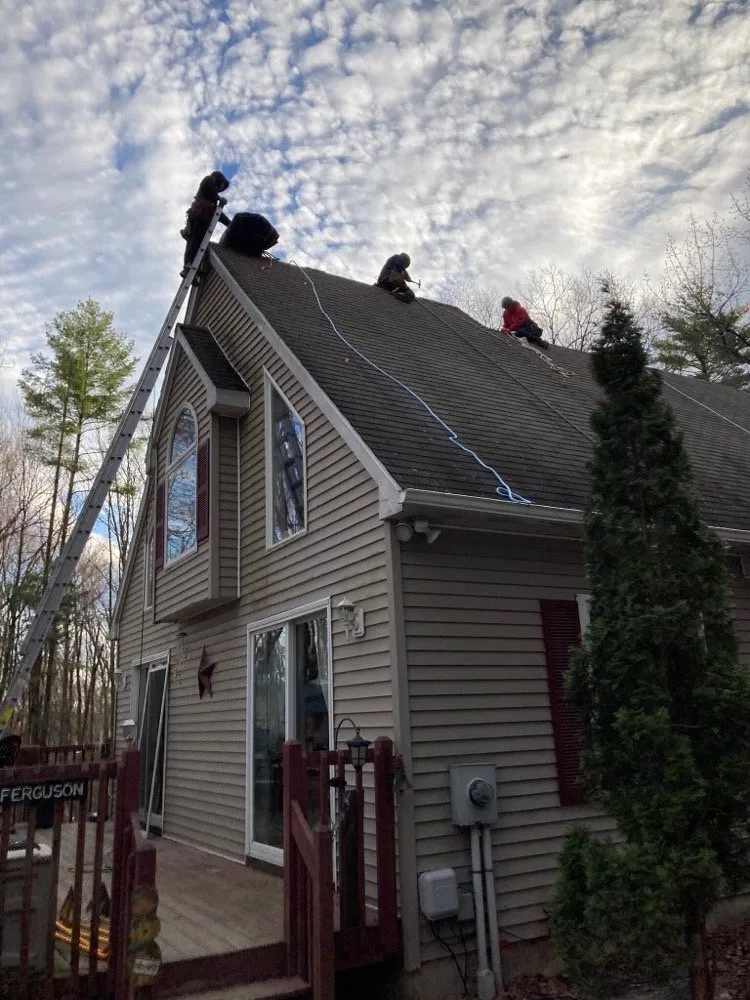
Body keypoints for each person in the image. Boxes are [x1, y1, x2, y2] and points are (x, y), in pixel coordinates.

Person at [180, 171, 231, 277]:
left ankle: (189, 268)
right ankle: (189, 264)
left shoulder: (212, 199)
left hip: (201, 216)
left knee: (195, 242)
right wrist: (218, 198)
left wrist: (230, 224)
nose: (221, 190)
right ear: (219, 180)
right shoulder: (209, 180)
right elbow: (208, 188)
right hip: (199, 215)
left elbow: (218, 213)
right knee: (195, 240)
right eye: (222, 186)